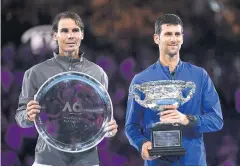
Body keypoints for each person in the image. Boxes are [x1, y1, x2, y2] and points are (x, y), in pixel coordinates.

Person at [15, 11, 118, 166]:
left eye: (75, 30)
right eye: (64, 31)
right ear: (55, 35)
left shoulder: (98, 73)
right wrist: (28, 116)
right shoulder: (35, 72)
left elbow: (100, 116)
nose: (70, 36)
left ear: (82, 35)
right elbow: (21, 117)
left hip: (87, 161)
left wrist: (109, 128)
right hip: (48, 160)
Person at [124, 14, 223, 166]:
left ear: (182, 38)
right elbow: (131, 126)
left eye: (177, 34)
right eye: (168, 34)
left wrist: (186, 119)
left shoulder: (199, 76)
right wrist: (142, 144)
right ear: (157, 38)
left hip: (193, 162)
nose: (173, 39)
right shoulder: (141, 81)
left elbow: (216, 120)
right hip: (158, 163)